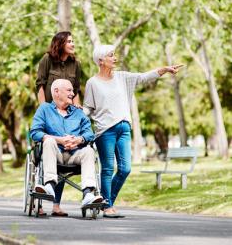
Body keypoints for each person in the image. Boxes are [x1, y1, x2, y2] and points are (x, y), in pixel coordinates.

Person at [83, 44, 183, 218]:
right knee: (107, 169)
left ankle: (106, 201)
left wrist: (164, 70)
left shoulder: (122, 77)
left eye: (114, 55)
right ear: (100, 61)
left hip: (124, 128)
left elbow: (144, 77)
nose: (115, 58)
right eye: (111, 56)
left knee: (125, 168)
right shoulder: (92, 83)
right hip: (104, 131)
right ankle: (107, 206)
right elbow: (88, 108)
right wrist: (74, 118)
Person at [30, 79, 103, 212]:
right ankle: (49, 186)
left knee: (89, 151)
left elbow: (89, 134)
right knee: (49, 140)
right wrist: (59, 140)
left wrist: (78, 140)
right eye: (69, 90)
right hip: (53, 154)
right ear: (56, 92)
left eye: (72, 90)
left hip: (75, 155)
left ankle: (88, 194)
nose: (73, 93)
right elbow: (35, 132)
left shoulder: (78, 112)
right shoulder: (44, 109)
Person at [35, 31, 84, 216]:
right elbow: (40, 85)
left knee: (66, 150)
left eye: (73, 40)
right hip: (49, 114)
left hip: (68, 115)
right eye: (69, 41)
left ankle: (56, 205)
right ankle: (39, 204)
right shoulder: (47, 59)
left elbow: (76, 90)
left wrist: (76, 106)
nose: (73, 44)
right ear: (60, 43)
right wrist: (44, 111)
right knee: (45, 154)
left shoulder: (75, 64)